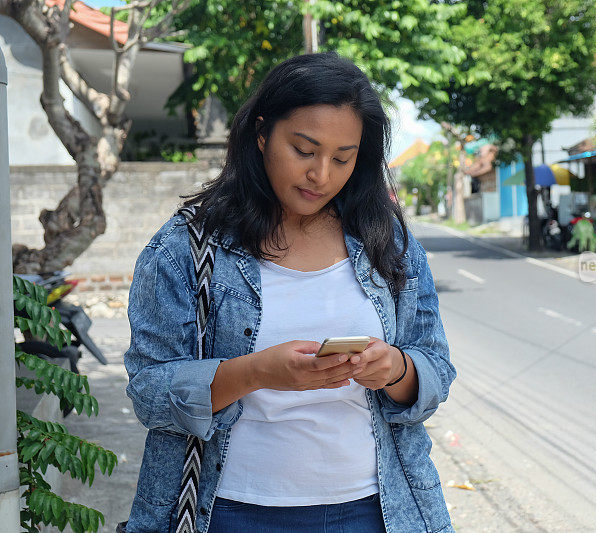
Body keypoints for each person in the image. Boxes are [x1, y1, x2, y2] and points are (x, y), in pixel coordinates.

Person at [122, 52, 456, 533]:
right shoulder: (186, 248)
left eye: (343, 158)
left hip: (377, 508)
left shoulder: (389, 244)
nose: (321, 174)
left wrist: (395, 369)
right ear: (261, 134)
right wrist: (256, 372)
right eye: (304, 150)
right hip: (228, 509)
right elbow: (149, 393)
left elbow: (436, 368)